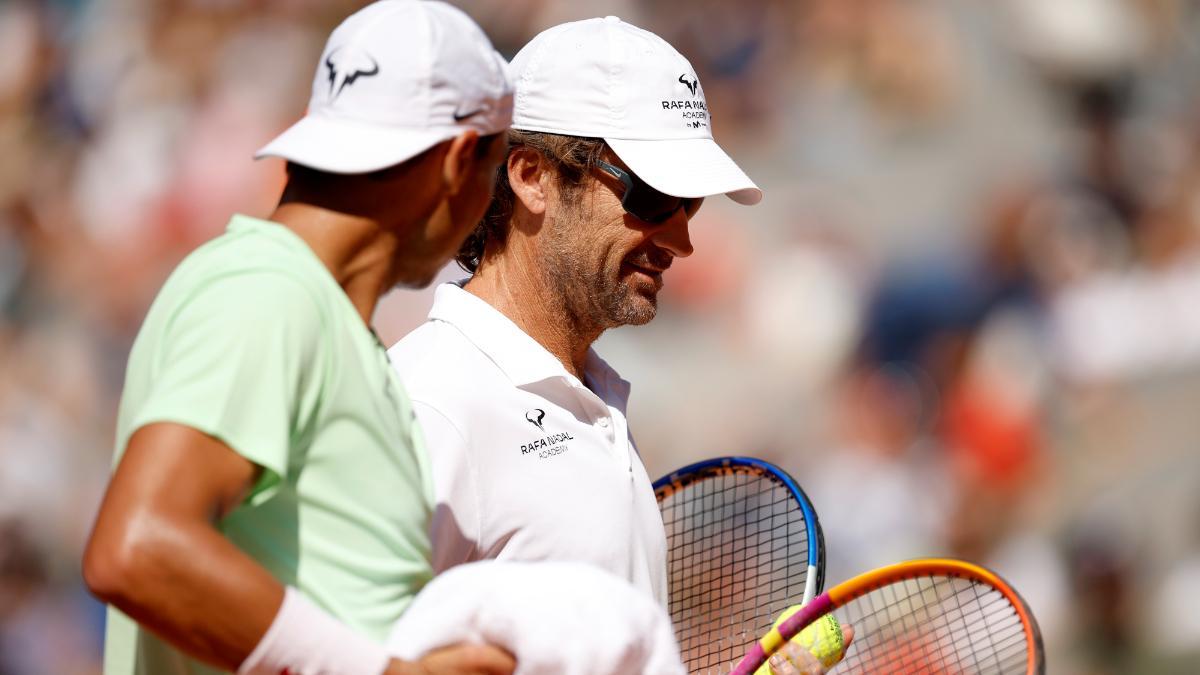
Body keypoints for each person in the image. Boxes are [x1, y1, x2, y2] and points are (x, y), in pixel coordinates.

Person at [81, 2, 517, 674]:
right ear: (461, 160)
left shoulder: (306, 310)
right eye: (497, 173)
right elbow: (136, 546)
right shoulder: (269, 295)